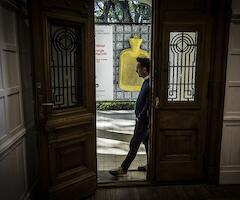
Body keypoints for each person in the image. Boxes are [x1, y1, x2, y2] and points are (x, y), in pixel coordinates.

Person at [109, 57, 150, 176]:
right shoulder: (147, 82)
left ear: (144, 69)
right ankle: (150, 165)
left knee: (134, 143)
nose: (136, 71)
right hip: (143, 120)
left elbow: (148, 104)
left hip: (143, 121)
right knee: (147, 142)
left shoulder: (149, 83)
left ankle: (123, 168)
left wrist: (140, 117)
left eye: (138, 68)